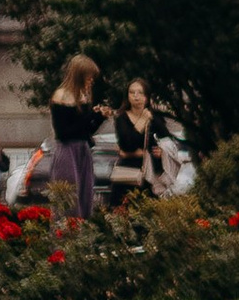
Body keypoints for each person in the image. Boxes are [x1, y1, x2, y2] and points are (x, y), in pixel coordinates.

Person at [44, 55, 106, 218]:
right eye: (89, 77)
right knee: (69, 197)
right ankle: (64, 236)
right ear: (80, 76)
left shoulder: (83, 97)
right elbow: (64, 133)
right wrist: (90, 115)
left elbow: (85, 131)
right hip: (67, 152)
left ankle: (82, 234)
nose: (91, 81)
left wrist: (99, 118)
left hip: (82, 150)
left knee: (84, 196)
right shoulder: (61, 97)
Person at [106, 79, 164, 203]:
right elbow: (128, 145)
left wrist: (160, 152)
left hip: (148, 174)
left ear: (147, 97)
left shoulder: (154, 118)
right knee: (121, 212)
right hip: (126, 174)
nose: (136, 96)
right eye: (132, 92)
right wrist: (142, 121)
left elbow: (165, 141)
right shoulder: (122, 118)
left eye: (140, 93)